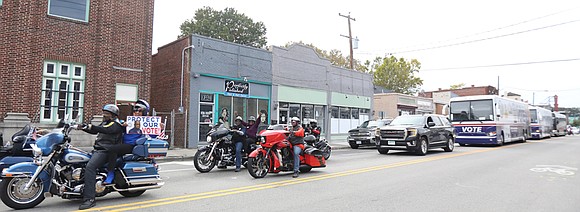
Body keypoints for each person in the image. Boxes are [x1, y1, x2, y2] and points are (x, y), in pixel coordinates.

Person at [77, 104, 124, 210]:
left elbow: (104, 129)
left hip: (106, 151)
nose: (104, 115)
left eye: (106, 113)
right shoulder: (105, 123)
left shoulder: (115, 125)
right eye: (104, 113)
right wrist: (83, 127)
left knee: (90, 167)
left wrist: (90, 126)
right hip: (99, 149)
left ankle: (89, 199)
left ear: (113, 115)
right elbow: (95, 130)